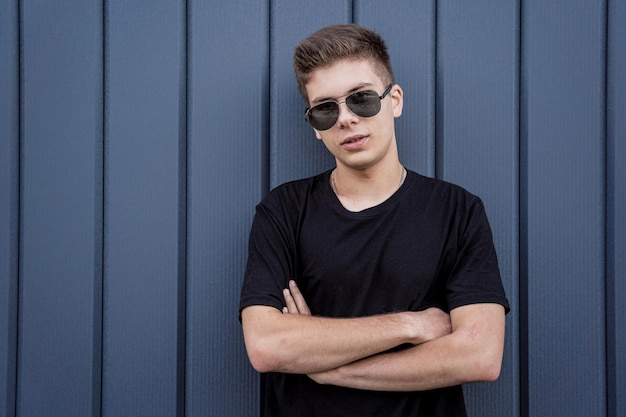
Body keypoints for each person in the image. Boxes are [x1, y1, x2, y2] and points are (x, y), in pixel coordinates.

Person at [239, 23, 510, 417]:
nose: (346, 119)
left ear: (395, 100)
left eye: (362, 99)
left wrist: (327, 368)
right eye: (325, 109)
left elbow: (480, 355)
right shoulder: (283, 210)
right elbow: (267, 346)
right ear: (315, 128)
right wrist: (410, 325)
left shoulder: (457, 210)